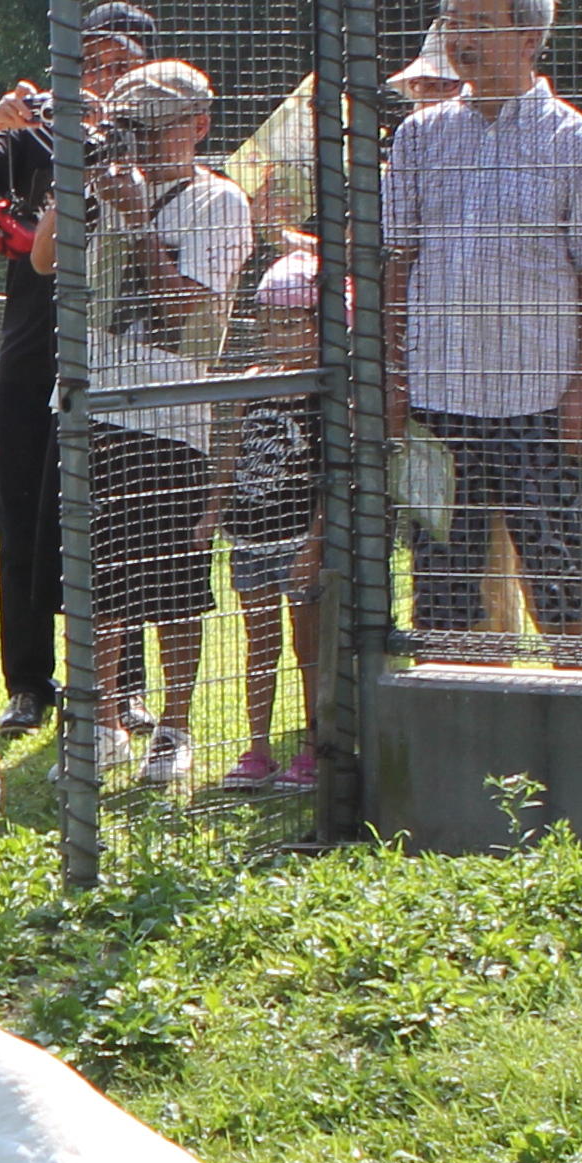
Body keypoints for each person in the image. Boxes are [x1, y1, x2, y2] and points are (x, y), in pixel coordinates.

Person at [380, 0, 582, 669]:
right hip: (439, 402)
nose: (461, 38)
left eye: (481, 23)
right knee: (444, 589)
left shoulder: (578, 143)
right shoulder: (420, 136)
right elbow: (398, 265)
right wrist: (394, 377)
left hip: (541, 403)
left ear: (530, 37)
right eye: (453, 20)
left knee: (562, 580)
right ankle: (464, 751)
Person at [0, 0, 155, 738]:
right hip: (32, 347)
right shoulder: (30, 144)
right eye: (90, 62)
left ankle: (125, 689)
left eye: (119, 65)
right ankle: (28, 683)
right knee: (23, 512)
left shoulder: (155, 144)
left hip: (122, 352)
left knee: (123, 516)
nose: (101, 77)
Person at [46, 60, 257, 793]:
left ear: (198, 126)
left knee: (171, 583)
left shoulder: (220, 204)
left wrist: (137, 220)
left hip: (171, 414)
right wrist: (78, 191)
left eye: (155, 128)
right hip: (89, 401)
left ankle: (174, 727)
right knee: (96, 574)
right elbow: (49, 265)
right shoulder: (101, 189)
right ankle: (99, 723)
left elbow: (182, 314)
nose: (138, 144)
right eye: (127, 128)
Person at [218, 204, 326, 787]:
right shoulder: (253, 382)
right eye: (272, 324)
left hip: (297, 536)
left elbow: (335, 479)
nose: (280, 336)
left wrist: (314, 542)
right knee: (258, 645)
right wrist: (212, 514)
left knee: (306, 644)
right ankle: (256, 750)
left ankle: (313, 745)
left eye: (293, 324)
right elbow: (231, 453)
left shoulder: (328, 393)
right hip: (249, 535)